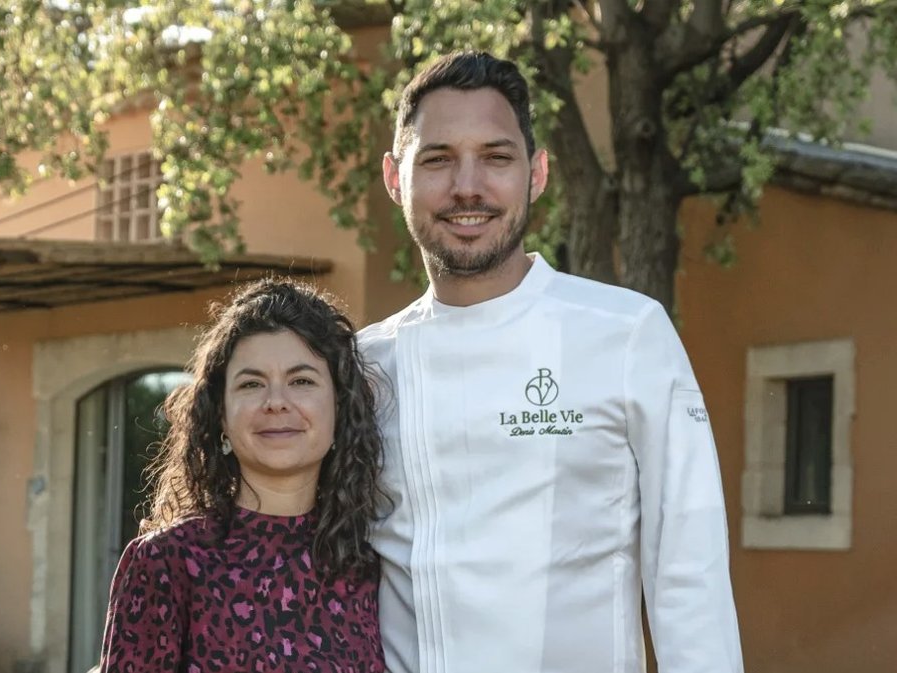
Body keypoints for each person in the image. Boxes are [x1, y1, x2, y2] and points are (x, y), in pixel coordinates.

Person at [358, 51, 744, 673]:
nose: (467, 186)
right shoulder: (362, 365)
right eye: (437, 159)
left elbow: (688, 571)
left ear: (536, 173)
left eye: (496, 157)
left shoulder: (626, 333)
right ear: (394, 177)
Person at [96, 278, 387, 672]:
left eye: (301, 381)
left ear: (340, 405)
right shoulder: (168, 562)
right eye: (251, 384)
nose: (276, 403)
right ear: (220, 414)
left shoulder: (367, 566)